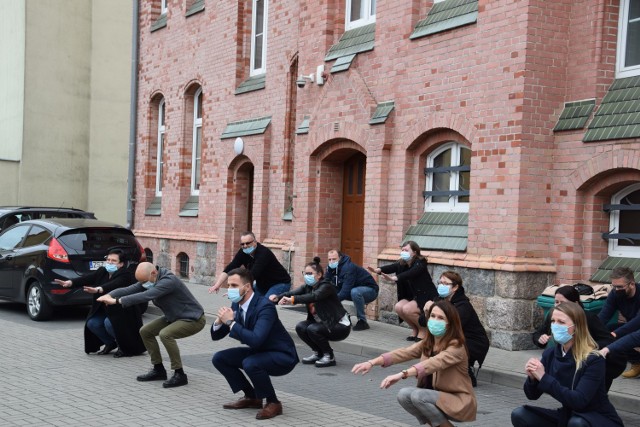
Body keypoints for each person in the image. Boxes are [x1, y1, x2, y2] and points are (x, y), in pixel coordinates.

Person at [352, 300, 477, 427]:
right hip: (435, 397)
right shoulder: (429, 342)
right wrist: (371, 362)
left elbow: (433, 363)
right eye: (433, 316)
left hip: (458, 401)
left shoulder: (456, 347)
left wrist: (402, 374)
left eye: (440, 318)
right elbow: (404, 353)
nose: (434, 320)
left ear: (449, 324)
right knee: (404, 395)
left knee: (418, 395)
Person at [511, 301, 623, 427]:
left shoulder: (594, 359)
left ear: (577, 326)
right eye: (553, 321)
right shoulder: (550, 354)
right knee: (520, 414)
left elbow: (579, 401)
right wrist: (533, 378)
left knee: (577, 423)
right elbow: (532, 395)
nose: (555, 326)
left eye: (561, 322)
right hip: (568, 416)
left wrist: (543, 377)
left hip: (598, 418)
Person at [97, 262, 206, 388]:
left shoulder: (168, 281)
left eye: (144, 281)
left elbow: (146, 295)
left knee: (166, 334)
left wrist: (117, 301)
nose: (143, 285)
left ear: (153, 273)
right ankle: (158, 369)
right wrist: (109, 294)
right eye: (141, 282)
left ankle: (179, 374)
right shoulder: (150, 278)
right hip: (173, 317)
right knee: (145, 331)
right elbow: (130, 289)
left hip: (192, 318)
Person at [211, 267, 298, 420]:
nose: (230, 289)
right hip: (260, 351)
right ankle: (252, 397)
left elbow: (256, 339)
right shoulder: (236, 304)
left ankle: (273, 402)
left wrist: (230, 322)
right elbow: (216, 336)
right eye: (229, 285)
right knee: (219, 358)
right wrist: (218, 321)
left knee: (250, 363)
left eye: (234, 286)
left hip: (282, 354)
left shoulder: (265, 306)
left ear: (247, 287)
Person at [532, 285, 626, 391]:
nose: (558, 306)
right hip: (575, 363)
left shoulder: (588, 318)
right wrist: (540, 338)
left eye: (562, 302)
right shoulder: (555, 315)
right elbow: (538, 333)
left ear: (575, 304)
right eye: (556, 302)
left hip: (602, 364)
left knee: (591, 397)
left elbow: (608, 340)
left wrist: (586, 347)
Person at [54, 248, 145, 357]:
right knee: (92, 323)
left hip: (122, 312)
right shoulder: (103, 271)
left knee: (109, 323)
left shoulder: (125, 274)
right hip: (105, 310)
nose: (110, 262)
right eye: (108, 259)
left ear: (121, 264)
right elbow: (87, 278)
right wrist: (70, 283)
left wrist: (99, 289)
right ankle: (110, 343)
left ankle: (123, 346)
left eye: (114, 261)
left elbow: (114, 285)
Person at [270, 257, 351, 367]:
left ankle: (329, 356)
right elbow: (292, 293)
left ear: (318, 275)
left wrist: (293, 300)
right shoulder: (307, 287)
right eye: (305, 273)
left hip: (339, 325)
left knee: (313, 329)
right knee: (301, 327)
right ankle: (318, 353)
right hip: (324, 323)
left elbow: (314, 296)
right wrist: (278, 297)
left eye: (309, 273)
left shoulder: (326, 286)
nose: (306, 276)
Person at [419, 271, 489, 388]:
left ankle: (467, 375)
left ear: (455, 287)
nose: (441, 286)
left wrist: (432, 309)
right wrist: (427, 312)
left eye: (445, 283)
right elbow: (421, 322)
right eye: (440, 282)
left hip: (472, 342)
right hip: (454, 338)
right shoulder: (438, 300)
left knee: (446, 347)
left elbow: (452, 325)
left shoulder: (463, 305)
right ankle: (431, 376)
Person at [369, 241, 437, 341]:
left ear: (414, 252)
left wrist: (394, 278)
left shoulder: (420, 263)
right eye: (402, 250)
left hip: (425, 296)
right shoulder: (402, 263)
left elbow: (410, 273)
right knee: (399, 307)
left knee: (407, 309)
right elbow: (392, 267)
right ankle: (415, 329)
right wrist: (378, 270)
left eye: (406, 250)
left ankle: (423, 330)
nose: (403, 252)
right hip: (411, 296)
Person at [209, 231, 291, 298]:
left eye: (248, 243)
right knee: (245, 300)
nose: (245, 246)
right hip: (262, 285)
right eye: (242, 244)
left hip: (279, 283)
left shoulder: (263, 253)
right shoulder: (243, 252)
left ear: (255, 242)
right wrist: (217, 285)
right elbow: (231, 267)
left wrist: (239, 290)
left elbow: (253, 274)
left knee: (266, 304)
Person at [597, 266, 640, 378]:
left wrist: (617, 333)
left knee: (618, 334)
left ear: (632, 284)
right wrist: (591, 329)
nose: (616, 290)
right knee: (606, 331)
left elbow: (638, 321)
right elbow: (603, 316)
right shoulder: (615, 294)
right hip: (632, 328)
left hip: (637, 327)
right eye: (614, 286)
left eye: (620, 287)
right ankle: (637, 362)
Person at [326, 249, 378, 331]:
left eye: (334, 259)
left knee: (355, 292)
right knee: (329, 291)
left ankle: (362, 321)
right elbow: (325, 284)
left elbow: (345, 292)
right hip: (352, 290)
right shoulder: (331, 268)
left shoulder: (348, 268)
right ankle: (344, 316)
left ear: (340, 258)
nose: (331, 262)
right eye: (329, 259)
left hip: (370, 291)